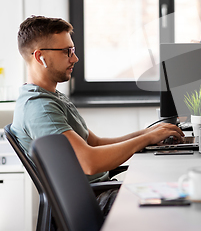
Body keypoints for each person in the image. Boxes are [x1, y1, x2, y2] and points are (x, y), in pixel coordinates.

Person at [11, 16, 184, 214]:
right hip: (92, 202)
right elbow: (89, 163)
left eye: (73, 50)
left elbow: (96, 143)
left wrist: (148, 134)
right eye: (67, 51)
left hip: (100, 192)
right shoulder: (39, 108)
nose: (74, 58)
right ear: (40, 57)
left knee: (174, 188)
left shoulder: (52, 97)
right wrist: (147, 138)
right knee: (176, 202)